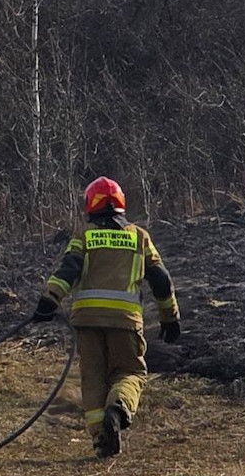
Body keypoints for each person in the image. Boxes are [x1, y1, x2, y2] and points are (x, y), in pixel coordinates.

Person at [30, 176, 182, 458]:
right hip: (125, 321)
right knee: (130, 372)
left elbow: (67, 270)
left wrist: (48, 302)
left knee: (93, 378)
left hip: (87, 322)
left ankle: (102, 438)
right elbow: (161, 279)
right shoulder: (139, 237)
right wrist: (170, 317)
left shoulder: (84, 236)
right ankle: (118, 408)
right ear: (121, 204)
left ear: (90, 205)